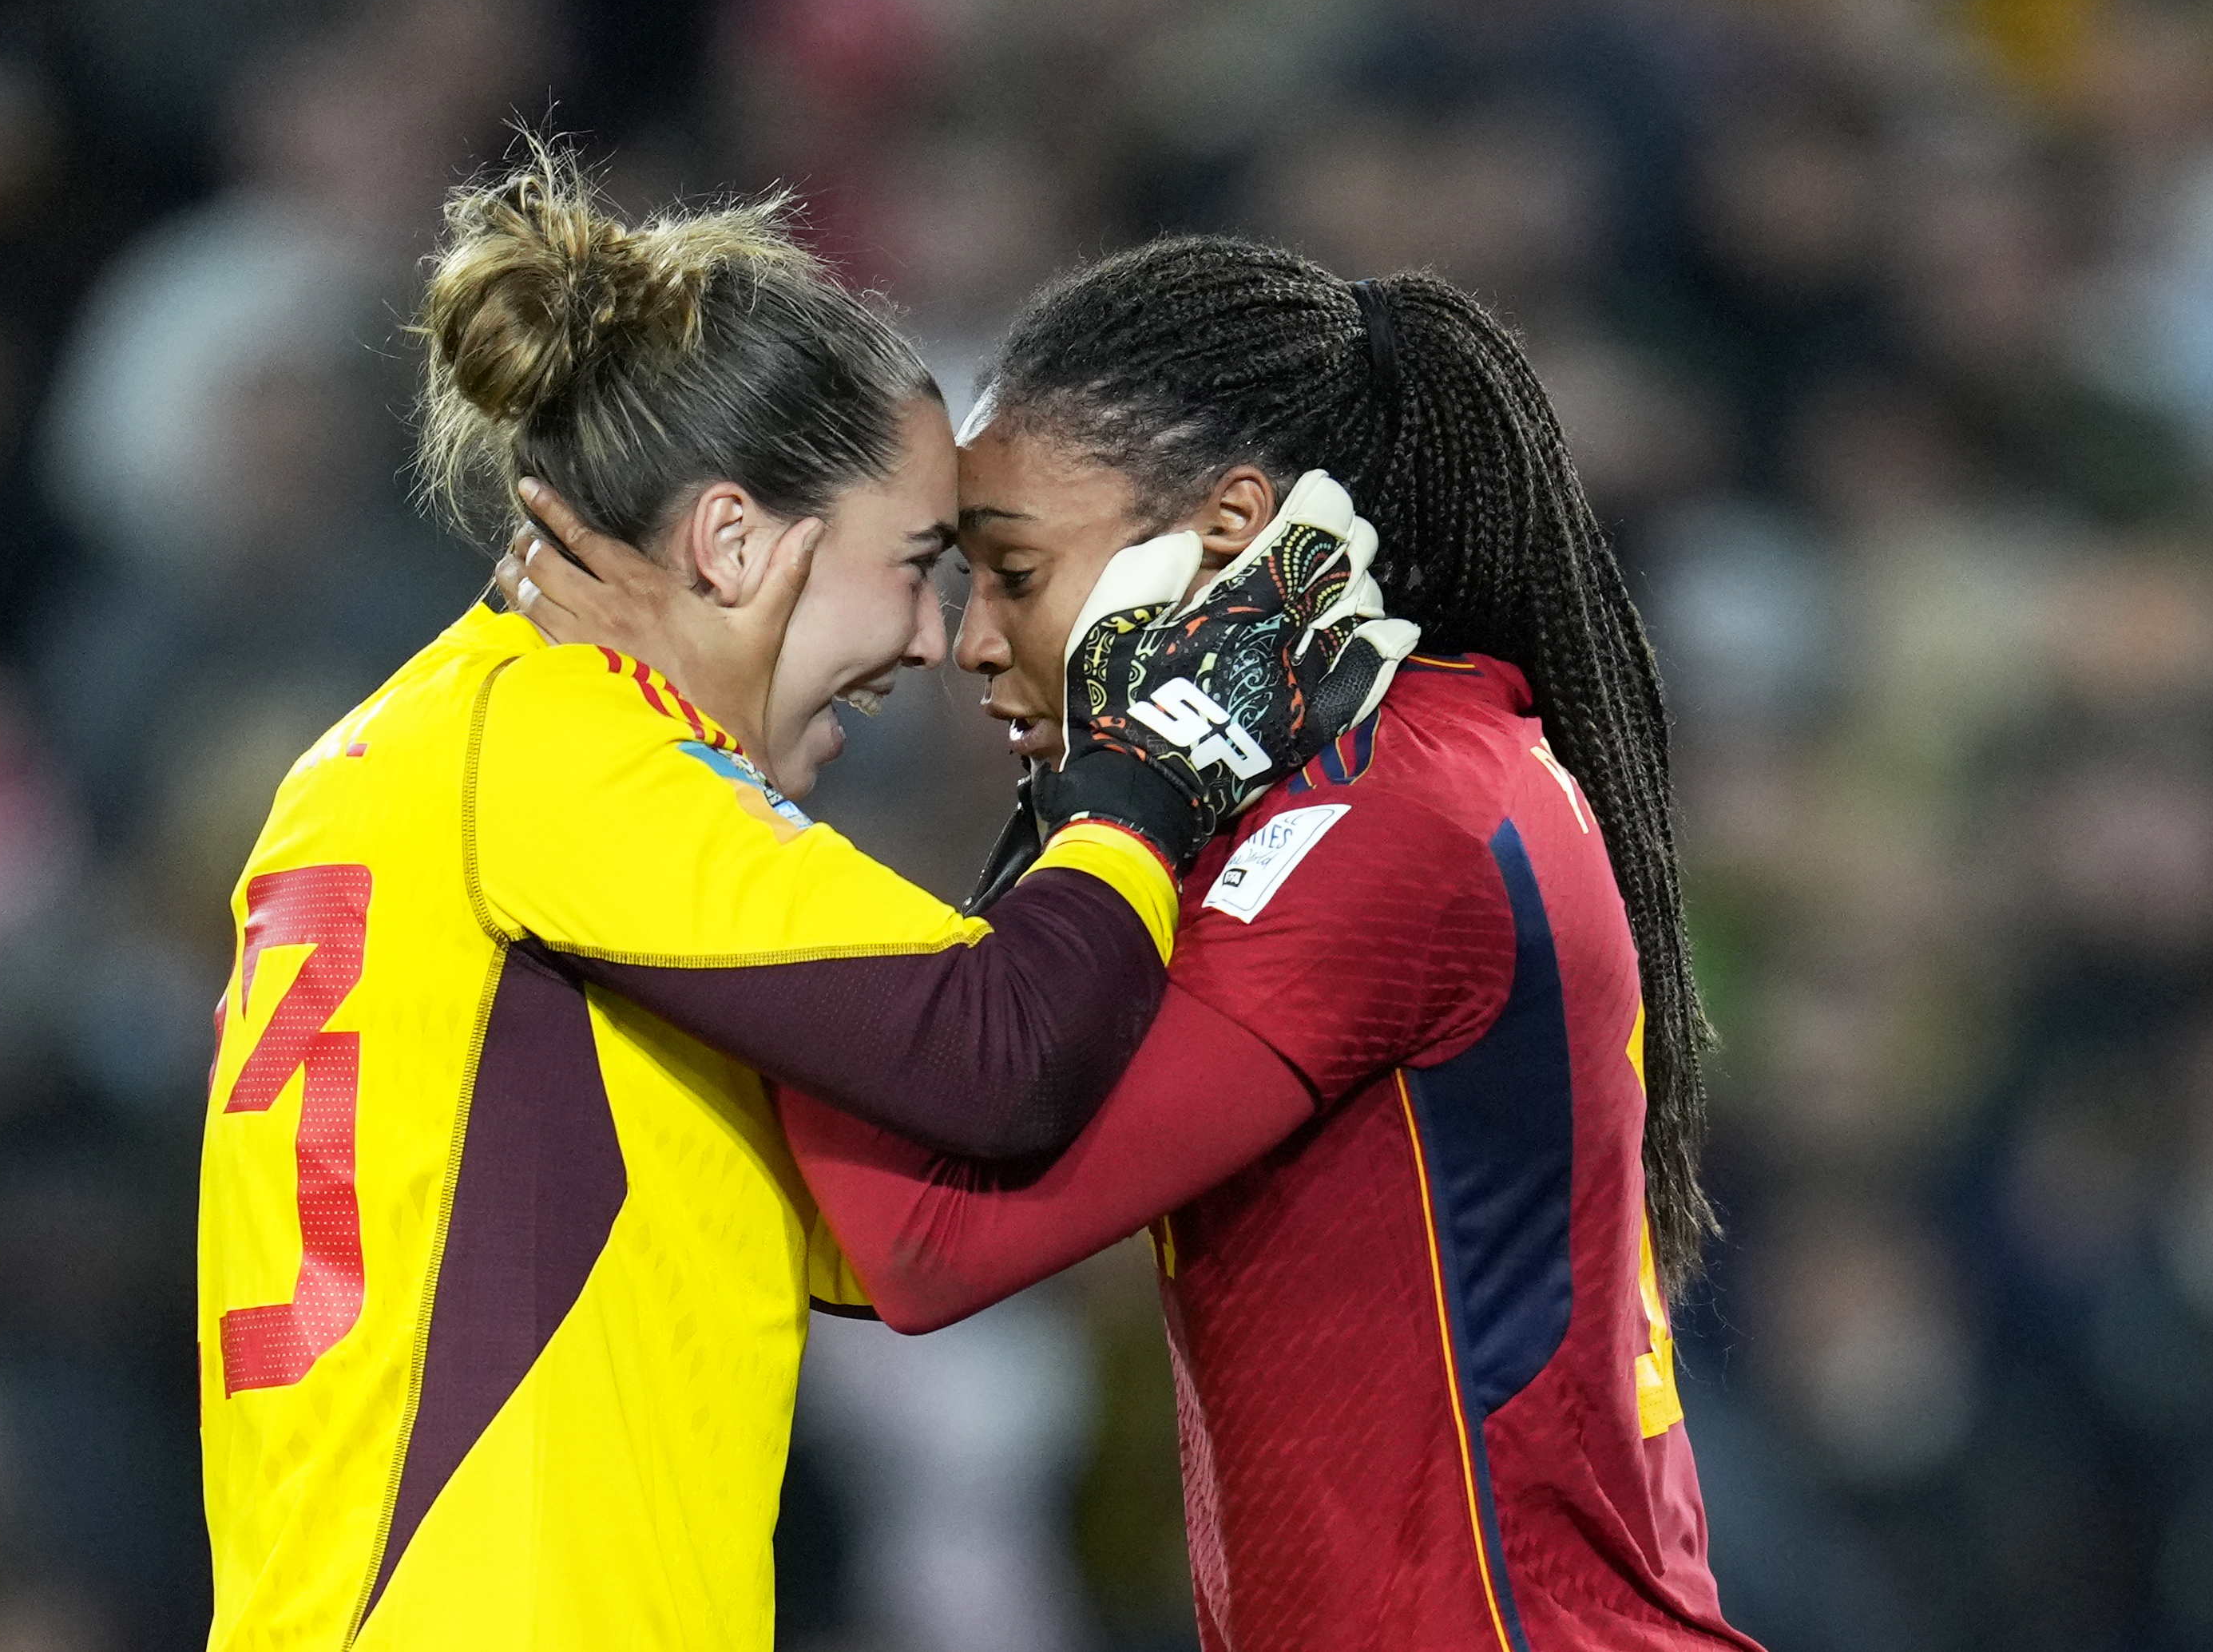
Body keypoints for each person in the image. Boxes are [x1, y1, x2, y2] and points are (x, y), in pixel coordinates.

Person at [194, 153, 1383, 1652]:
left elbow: (899, 1200)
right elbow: (994, 1049)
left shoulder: (440, 755)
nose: (933, 636)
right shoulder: (558, 750)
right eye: (911, 565)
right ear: (733, 542)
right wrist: (1151, 769)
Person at [523, 238, 1762, 1651]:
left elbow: (924, 1244)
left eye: (1012, 571)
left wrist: (674, 824)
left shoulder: (1390, 825)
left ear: (1226, 530)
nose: (969, 641)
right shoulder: (1358, 780)